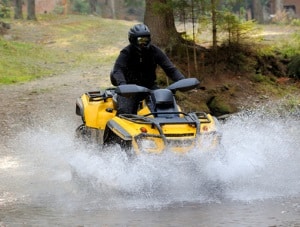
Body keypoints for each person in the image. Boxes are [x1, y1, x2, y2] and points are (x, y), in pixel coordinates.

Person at [110, 23, 185, 115]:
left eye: (145, 39)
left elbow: (170, 69)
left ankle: (165, 126)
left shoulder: (155, 51)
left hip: (149, 86)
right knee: (125, 112)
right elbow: (117, 70)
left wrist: (182, 80)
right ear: (132, 39)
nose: (143, 42)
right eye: (140, 40)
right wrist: (123, 85)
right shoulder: (126, 52)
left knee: (165, 108)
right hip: (130, 88)